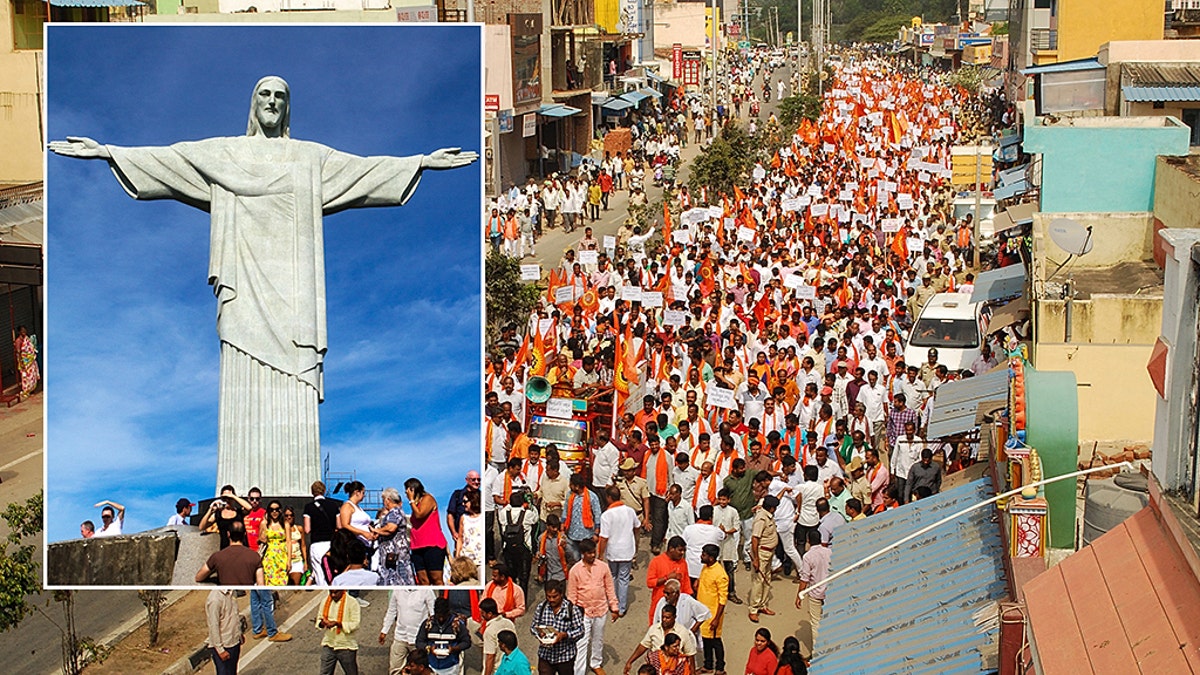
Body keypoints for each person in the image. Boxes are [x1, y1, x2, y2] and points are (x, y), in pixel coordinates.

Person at [49, 76, 477, 496]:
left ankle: (296, 485)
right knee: (241, 364)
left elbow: (363, 170)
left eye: (280, 96)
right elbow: (170, 160)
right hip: (244, 286)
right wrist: (107, 152)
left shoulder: (310, 157)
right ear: (253, 104)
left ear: (288, 107)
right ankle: (237, 486)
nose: (272, 101)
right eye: (264, 94)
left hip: (295, 290)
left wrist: (419, 161)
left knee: (295, 373)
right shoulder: (224, 152)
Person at [567, 539, 618, 675]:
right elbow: (572, 595)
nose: (592, 555)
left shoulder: (603, 567)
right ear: (583, 553)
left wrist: (614, 607)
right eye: (589, 553)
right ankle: (579, 671)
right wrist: (571, 616)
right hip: (583, 613)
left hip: (601, 609)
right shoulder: (575, 571)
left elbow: (610, 588)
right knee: (581, 643)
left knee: (598, 638)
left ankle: (596, 663)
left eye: (593, 552)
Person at [598, 485, 639, 617]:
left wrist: (600, 555)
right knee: (624, 578)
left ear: (609, 498)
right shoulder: (630, 511)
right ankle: (621, 607)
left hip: (613, 551)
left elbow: (603, 538)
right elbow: (637, 527)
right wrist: (636, 542)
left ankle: (613, 603)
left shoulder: (606, 515)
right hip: (627, 550)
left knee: (613, 577)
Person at [623, 604, 698, 675]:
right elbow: (643, 645)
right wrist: (630, 661)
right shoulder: (654, 629)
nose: (664, 620)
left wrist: (693, 673)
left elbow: (690, 654)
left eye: (667, 618)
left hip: (675, 668)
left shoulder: (682, 632)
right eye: (663, 617)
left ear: (674, 617)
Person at [531, 579, 585, 675]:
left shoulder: (572, 610)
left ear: (561, 594)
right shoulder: (541, 608)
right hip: (546, 655)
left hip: (565, 656)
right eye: (549, 597)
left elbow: (580, 631)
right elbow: (533, 627)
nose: (551, 600)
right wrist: (539, 633)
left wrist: (565, 635)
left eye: (554, 597)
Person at [380, 588, 436, 675]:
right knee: (395, 669)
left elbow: (433, 613)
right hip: (400, 637)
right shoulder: (397, 590)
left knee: (418, 670)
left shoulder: (426, 591)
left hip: (418, 639)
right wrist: (384, 630)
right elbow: (391, 611)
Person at [795, 530, 831, 660]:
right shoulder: (830, 552)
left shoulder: (808, 556)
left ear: (808, 541)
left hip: (815, 594)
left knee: (815, 623)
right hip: (829, 593)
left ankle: (817, 653)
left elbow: (804, 578)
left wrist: (799, 595)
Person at [408, 477, 450, 585]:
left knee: (436, 578)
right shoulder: (415, 505)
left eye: (408, 490)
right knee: (423, 580)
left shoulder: (428, 498)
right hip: (417, 545)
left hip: (432, 544)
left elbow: (420, 514)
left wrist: (411, 500)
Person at [416, 597, 471, 675]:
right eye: (439, 616)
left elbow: (466, 642)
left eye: (444, 615)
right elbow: (419, 642)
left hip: (451, 667)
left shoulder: (457, 624)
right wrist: (429, 648)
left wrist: (454, 649)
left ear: (448, 612)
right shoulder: (428, 624)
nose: (441, 619)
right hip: (431, 666)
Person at [696, 544, 728, 675]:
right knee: (705, 640)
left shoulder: (720, 574)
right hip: (702, 613)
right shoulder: (706, 567)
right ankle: (708, 665)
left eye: (704, 554)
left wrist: (716, 618)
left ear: (711, 557)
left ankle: (720, 668)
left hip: (713, 615)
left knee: (716, 642)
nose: (701, 556)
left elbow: (723, 599)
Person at [374, 487, 415, 586]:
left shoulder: (394, 512)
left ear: (388, 500)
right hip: (393, 554)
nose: (384, 503)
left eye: (384, 500)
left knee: (398, 578)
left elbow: (391, 528)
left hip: (394, 554)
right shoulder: (396, 512)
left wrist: (376, 530)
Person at [305, 480, 344, 585]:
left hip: (316, 543)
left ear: (312, 492)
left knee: (319, 573)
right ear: (324, 490)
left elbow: (307, 529)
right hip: (331, 544)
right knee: (332, 571)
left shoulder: (309, 507)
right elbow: (339, 526)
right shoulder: (333, 506)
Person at [645, 536, 692, 623]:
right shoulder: (656, 562)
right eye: (680, 550)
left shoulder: (683, 563)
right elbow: (650, 583)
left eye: (683, 551)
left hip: (678, 608)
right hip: (660, 604)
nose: (682, 553)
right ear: (671, 549)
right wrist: (667, 578)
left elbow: (686, 584)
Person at [748, 495, 780, 623]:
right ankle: (753, 609)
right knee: (758, 580)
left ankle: (762, 604)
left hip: (769, 553)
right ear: (771, 508)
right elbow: (755, 539)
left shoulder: (766, 514)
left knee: (767, 579)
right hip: (761, 553)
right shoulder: (761, 519)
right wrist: (756, 559)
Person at [317, 589, 361, 675]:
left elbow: (355, 624)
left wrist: (338, 624)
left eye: (335, 592)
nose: (333, 595)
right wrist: (323, 623)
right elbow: (319, 619)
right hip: (329, 643)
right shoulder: (325, 601)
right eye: (331, 592)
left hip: (346, 646)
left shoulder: (352, 603)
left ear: (342, 591)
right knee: (324, 672)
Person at [205, 588, 243, 675]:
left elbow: (234, 614)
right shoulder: (215, 599)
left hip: (234, 641)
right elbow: (213, 626)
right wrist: (220, 650)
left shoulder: (232, 592)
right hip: (224, 644)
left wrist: (239, 633)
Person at [480, 598, 516, 675]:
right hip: (511, 667)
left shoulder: (489, 631)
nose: (481, 615)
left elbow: (490, 656)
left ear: (489, 614)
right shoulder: (509, 623)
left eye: (482, 613)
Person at [447, 471, 481, 551]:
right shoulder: (457, 495)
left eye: (479, 480)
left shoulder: (481, 495)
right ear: (467, 480)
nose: (477, 482)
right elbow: (450, 515)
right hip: (461, 536)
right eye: (473, 479)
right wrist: (454, 532)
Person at [259, 500, 290, 586]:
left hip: (282, 555)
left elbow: (288, 542)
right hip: (269, 556)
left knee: (282, 581)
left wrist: (289, 560)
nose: (274, 512)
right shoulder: (264, 523)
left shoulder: (285, 524)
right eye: (271, 510)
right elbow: (261, 540)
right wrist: (265, 525)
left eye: (277, 509)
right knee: (269, 581)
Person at [280, 506, 309, 585]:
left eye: (291, 515)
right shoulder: (280, 530)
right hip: (283, 560)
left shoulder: (299, 528)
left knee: (296, 584)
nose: (289, 517)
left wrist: (305, 562)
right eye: (286, 515)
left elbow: (303, 545)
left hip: (297, 559)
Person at [14, 325, 38, 400]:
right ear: (19, 332)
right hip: (24, 362)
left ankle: (32, 389)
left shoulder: (27, 339)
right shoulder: (18, 341)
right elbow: (19, 352)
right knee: (25, 377)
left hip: (30, 360)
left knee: (32, 376)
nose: (24, 332)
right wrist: (21, 363)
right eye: (22, 331)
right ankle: (26, 390)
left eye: (25, 330)